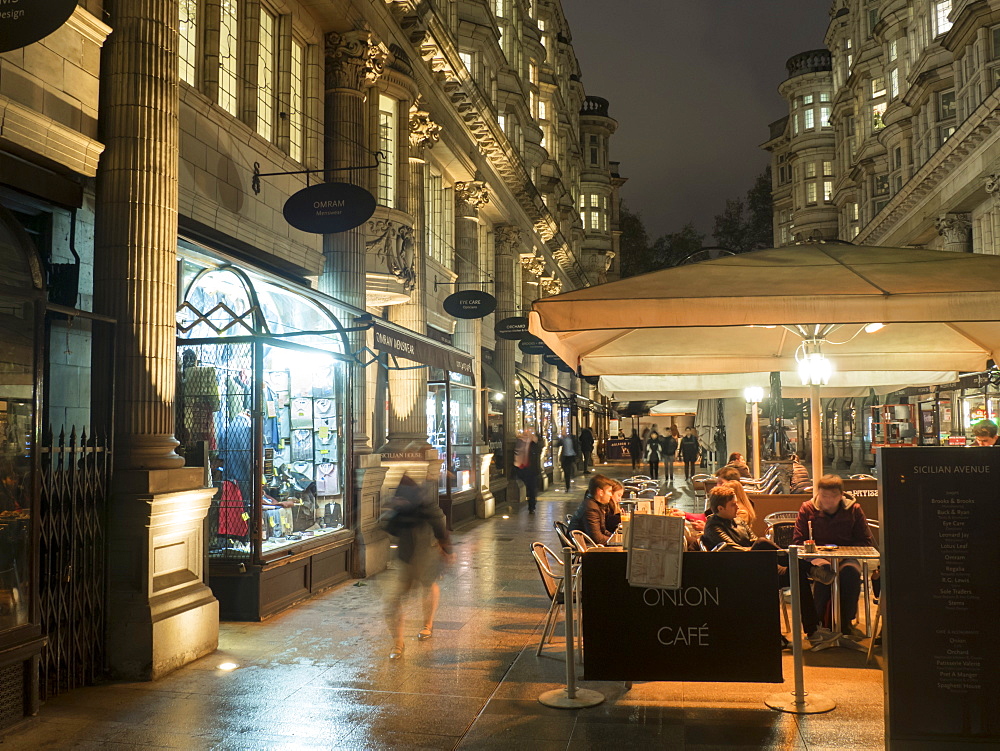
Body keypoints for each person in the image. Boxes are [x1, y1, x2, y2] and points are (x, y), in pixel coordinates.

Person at [702, 485, 834, 649]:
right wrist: (760, 551)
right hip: (739, 573)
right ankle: (809, 568)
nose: (738, 506)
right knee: (763, 543)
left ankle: (813, 631)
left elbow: (753, 539)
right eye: (733, 504)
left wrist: (763, 553)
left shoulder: (739, 521)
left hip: (759, 568)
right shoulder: (713, 526)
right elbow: (731, 549)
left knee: (797, 574)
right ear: (720, 508)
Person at [382, 462, 455, 660]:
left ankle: (427, 625)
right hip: (405, 558)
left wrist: (446, 549)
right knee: (393, 600)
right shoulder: (403, 509)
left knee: (428, 585)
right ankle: (398, 643)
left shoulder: (425, 507)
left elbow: (440, 526)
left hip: (425, 555)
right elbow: (391, 528)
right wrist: (394, 512)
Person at [792, 474, 876, 640]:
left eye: (833, 496)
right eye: (824, 496)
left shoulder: (854, 509)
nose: (828, 500)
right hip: (817, 557)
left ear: (841, 496)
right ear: (818, 494)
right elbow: (799, 541)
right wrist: (821, 554)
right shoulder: (807, 509)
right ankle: (818, 623)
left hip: (847, 556)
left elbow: (865, 541)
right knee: (824, 573)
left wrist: (843, 554)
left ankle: (845, 622)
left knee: (850, 574)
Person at [567, 474, 617, 545]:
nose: (611, 495)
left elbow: (603, 531)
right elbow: (598, 539)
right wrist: (617, 542)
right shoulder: (591, 508)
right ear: (600, 492)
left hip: (588, 544)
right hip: (586, 548)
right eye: (609, 491)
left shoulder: (595, 504)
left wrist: (616, 537)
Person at [513, 428, 539, 513]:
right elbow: (517, 453)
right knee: (529, 488)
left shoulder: (533, 443)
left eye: (530, 433)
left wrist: (535, 441)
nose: (528, 434)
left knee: (532, 489)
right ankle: (530, 503)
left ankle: (531, 507)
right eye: (526, 432)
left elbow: (538, 451)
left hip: (531, 469)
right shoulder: (520, 441)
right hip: (522, 468)